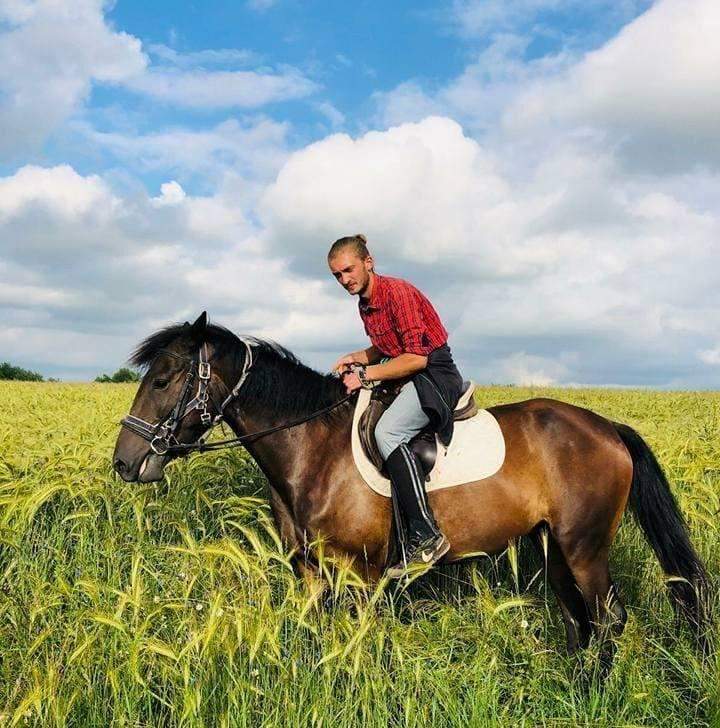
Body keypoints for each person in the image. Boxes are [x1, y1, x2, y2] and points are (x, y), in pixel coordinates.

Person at [328, 234, 464, 577]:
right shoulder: (365, 303)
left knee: (386, 432)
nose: (345, 281)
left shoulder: (398, 293)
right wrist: (357, 357)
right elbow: (385, 346)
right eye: (337, 276)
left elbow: (416, 358)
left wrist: (366, 375)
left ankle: (427, 534)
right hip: (405, 369)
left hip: (433, 373)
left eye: (348, 270)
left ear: (368, 262)